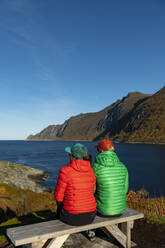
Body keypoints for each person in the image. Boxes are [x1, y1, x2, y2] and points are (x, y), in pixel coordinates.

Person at [54, 143, 97, 226]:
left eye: (69, 154)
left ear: (72, 156)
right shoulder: (91, 171)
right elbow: (92, 192)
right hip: (91, 215)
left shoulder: (65, 171)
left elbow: (58, 197)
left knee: (60, 209)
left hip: (72, 217)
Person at [93, 139, 129, 217]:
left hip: (102, 211)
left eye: (98, 150)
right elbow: (125, 190)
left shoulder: (95, 167)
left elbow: (92, 191)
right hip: (120, 210)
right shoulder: (123, 167)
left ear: (101, 151)